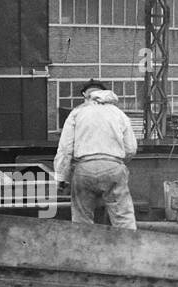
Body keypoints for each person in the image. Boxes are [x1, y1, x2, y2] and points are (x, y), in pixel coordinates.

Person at [54, 79, 138, 230]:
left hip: (84, 168)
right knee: (123, 218)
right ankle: (129, 250)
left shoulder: (77, 113)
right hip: (113, 166)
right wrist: (115, 162)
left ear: (85, 95)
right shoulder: (119, 114)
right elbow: (131, 148)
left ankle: (85, 251)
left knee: (82, 220)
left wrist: (61, 177)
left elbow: (65, 149)